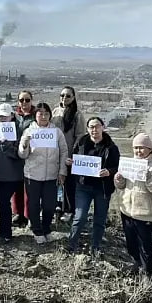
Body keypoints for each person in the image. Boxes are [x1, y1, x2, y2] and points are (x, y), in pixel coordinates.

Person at [113, 133, 152, 277]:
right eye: (135, 148)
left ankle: (148, 274)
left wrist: (149, 177)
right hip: (127, 210)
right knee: (131, 242)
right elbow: (122, 186)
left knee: (145, 246)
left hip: (145, 213)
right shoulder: (130, 164)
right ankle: (136, 265)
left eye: (141, 148)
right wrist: (118, 179)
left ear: (149, 148)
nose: (138, 151)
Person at [66, 117, 120, 254]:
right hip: (83, 186)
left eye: (97, 126)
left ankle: (95, 247)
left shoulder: (111, 147)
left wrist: (109, 172)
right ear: (87, 129)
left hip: (102, 188)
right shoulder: (81, 142)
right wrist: (70, 162)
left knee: (99, 219)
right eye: (91, 127)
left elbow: (118, 167)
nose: (94, 130)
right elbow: (74, 158)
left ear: (103, 127)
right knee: (80, 216)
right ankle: (71, 244)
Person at [18, 102, 67, 244]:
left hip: (51, 175)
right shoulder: (29, 131)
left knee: (49, 205)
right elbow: (22, 155)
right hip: (32, 174)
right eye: (40, 113)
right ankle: (36, 230)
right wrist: (24, 145)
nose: (44, 116)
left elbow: (64, 151)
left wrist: (62, 171)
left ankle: (46, 228)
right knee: (33, 204)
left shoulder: (56, 132)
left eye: (46, 113)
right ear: (35, 116)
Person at [0, 103, 25, 243]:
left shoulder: (19, 131)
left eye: (6, 116)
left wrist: (7, 146)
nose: (3, 119)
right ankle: (4, 230)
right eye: (0, 116)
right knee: (2, 203)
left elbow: (20, 154)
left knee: (4, 203)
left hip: (14, 175)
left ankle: (6, 233)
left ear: (12, 116)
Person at [52, 86, 87, 222]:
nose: (64, 98)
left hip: (69, 155)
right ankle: (58, 207)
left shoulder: (77, 115)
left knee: (69, 184)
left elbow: (79, 136)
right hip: (54, 154)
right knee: (57, 182)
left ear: (73, 98)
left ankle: (70, 209)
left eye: (68, 96)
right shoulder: (55, 112)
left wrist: (72, 154)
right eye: (62, 95)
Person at [11, 90, 36, 228]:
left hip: (31, 156)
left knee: (29, 188)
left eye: (27, 100)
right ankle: (17, 213)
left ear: (32, 101)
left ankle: (27, 215)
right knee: (17, 186)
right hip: (16, 156)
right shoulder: (14, 116)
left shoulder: (36, 116)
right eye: (21, 100)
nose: (24, 103)